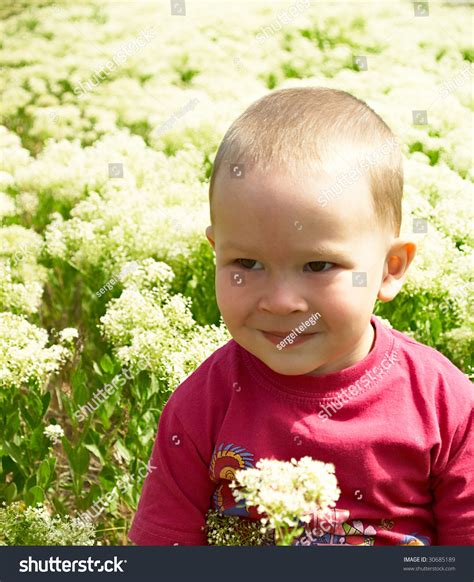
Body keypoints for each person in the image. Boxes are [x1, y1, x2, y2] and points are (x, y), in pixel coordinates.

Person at [128, 87, 473, 546]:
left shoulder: (442, 402)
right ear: (216, 254)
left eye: (317, 266)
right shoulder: (201, 405)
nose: (280, 301)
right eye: (246, 265)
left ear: (390, 269)